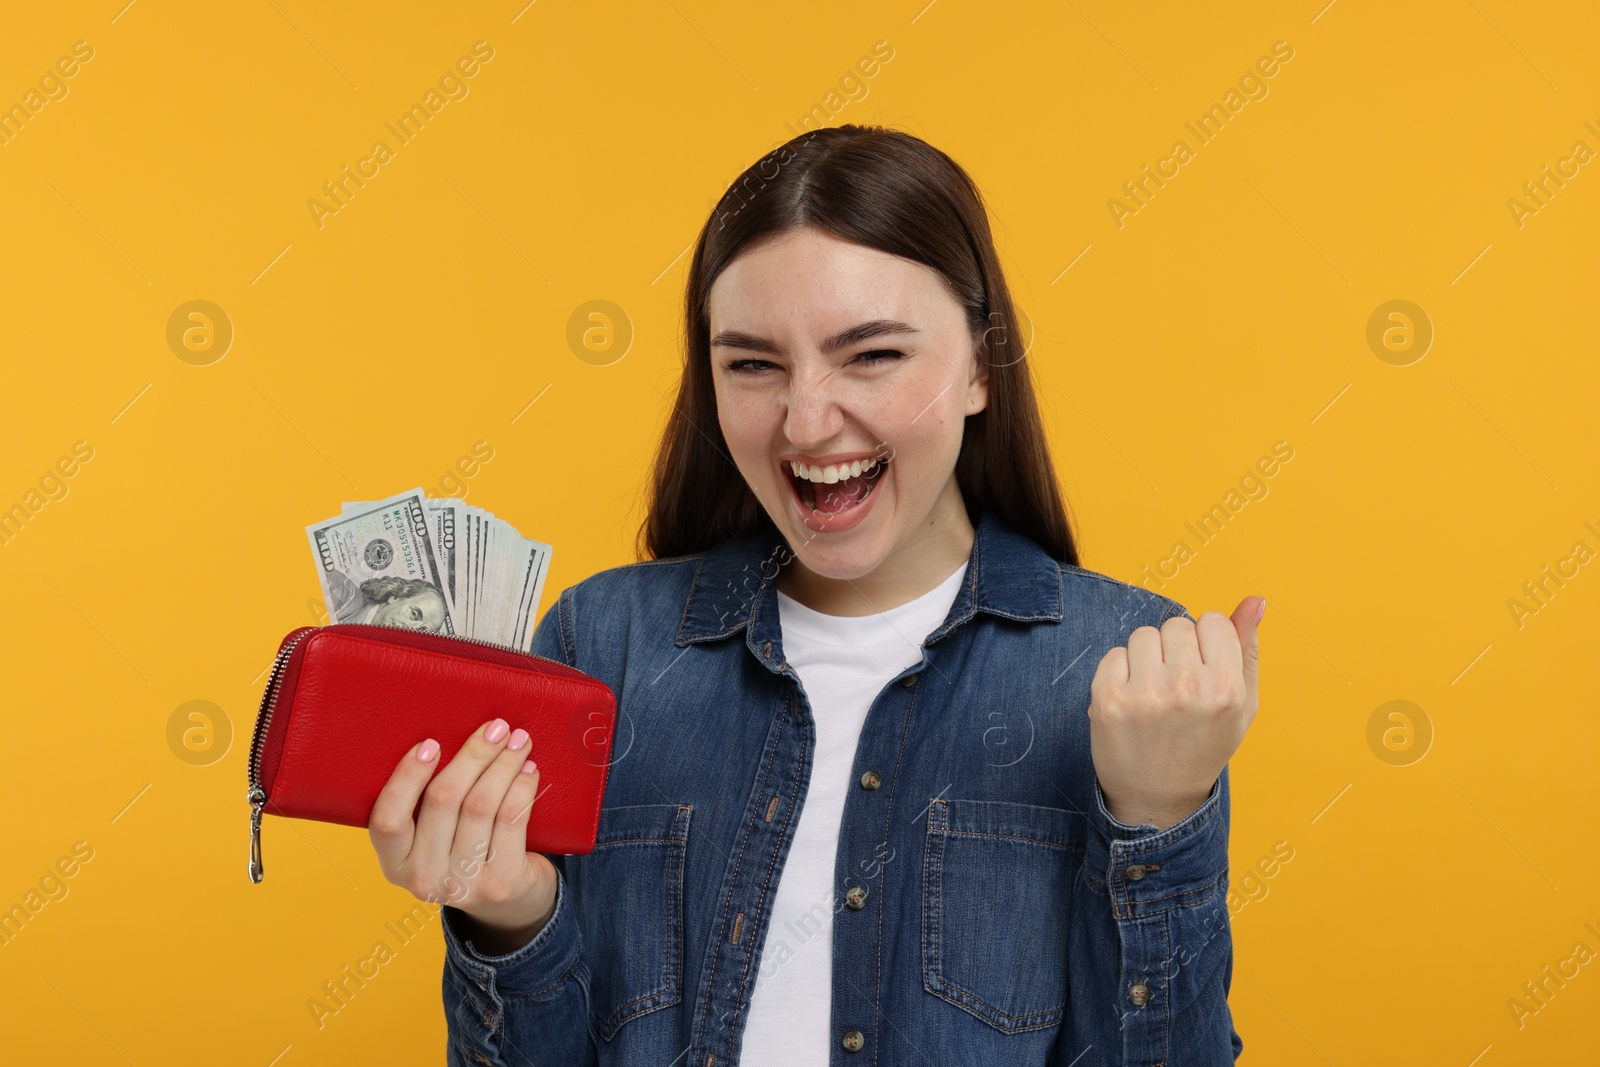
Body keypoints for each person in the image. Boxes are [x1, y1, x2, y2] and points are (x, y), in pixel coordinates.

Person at [367, 124, 1261, 1065]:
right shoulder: (604, 642)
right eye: (752, 363)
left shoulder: (1125, 669)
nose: (805, 419)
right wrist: (511, 919)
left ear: (981, 369)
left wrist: (1160, 817)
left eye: (871, 354)